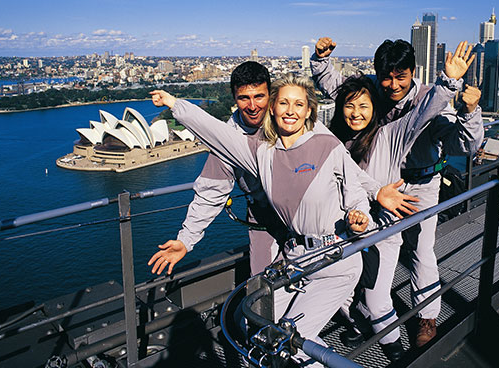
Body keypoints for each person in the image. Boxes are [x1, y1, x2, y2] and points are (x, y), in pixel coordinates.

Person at [150, 74, 375, 367]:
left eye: (298, 104)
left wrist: (364, 212)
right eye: (283, 103)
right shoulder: (260, 151)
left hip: (333, 254)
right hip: (294, 252)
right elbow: (216, 138)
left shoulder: (324, 142)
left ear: (309, 111)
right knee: (258, 322)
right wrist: (176, 105)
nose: (290, 110)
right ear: (273, 107)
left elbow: (353, 187)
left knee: (290, 338)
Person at [312, 37, 484, 348]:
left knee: (420, 251)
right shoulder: (375, 91)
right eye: (386, 76)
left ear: (412, 71)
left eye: (400, 77)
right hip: (376, 183)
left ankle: (426, 317)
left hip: (420, 183)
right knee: (370, 247)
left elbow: (466, 147)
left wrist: (469, 111)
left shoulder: (429, 100)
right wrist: (321, 61)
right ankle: (369, 310)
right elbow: (340, 89)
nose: (392, 85)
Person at [148, 61, 287, 277]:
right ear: (234, 98)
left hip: (303, 210)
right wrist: (186, 240)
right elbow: (211, 192)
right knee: (263, 284)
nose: (252, 106)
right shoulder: (226, 139)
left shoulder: (287, 118)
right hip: (264, 218)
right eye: (244, 98)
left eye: (259, 96)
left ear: (270, 95)